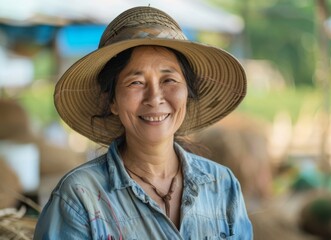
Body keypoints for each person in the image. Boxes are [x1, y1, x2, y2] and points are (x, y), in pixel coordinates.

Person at [34, 6, 253, 239]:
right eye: (136, 82)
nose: (155, 97)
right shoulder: (80, 197)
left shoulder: (222, 185)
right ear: (112, 101)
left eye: (169, 79)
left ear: (187, 93)